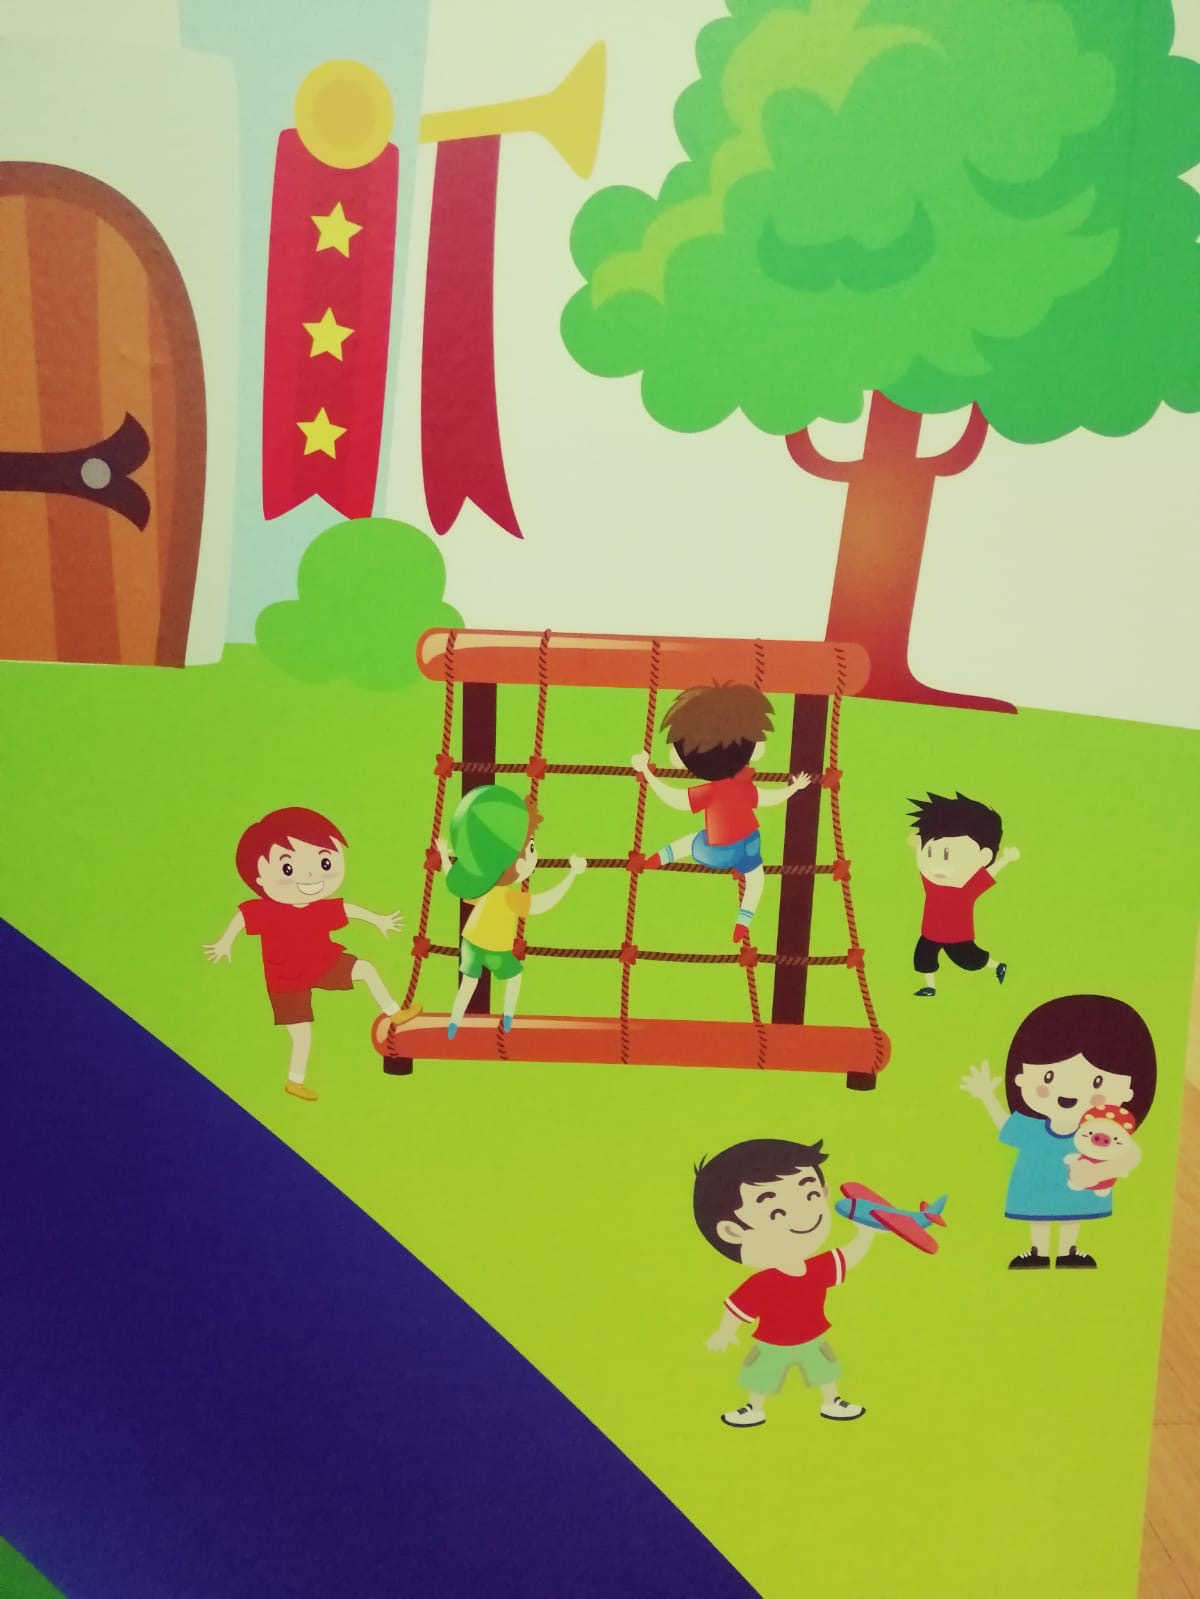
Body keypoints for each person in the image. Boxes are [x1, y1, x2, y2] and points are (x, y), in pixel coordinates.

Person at [204, 806, 420, 1102]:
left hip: (322, 963)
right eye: (288, 869)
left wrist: (378, 920)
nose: (309, 876)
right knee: (302, 1035)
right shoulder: (265, 911)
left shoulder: (320, 909)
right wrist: (225, 942)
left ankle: (394, 1012)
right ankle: (295, 1081)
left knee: (365, 969)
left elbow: (348, 909)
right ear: (260, 879)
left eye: (324, 862)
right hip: (285, 979)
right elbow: (243, 917)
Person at [960, 995, 1157, 1268]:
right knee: (1038, 1218)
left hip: (1077, 1190)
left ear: (1128, 1091)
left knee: (1072, 1216)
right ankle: (1038, 1252)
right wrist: (987, 1097)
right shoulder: (1034, 1128)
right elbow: (1006, 1126)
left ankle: (1068, 1252)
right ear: (1020, 1077)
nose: (1069, 1092)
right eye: (1048, 1076)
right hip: (1035, 1186)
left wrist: (1102, 1171)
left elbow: (1130, 1155)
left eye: (1097, 1082)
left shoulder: (1098, 1135)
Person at [694, 1138, 877, 1428]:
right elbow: (737, 1307)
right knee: (761, 1375)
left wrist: (866, 1233)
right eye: (776, 1213)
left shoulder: (815, 1269)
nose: (805, 1216)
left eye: (811, 1195)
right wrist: (724, 1332)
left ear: (824, 1192)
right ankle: (753, 1407)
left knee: (825, 1370)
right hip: (772, 1342)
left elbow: (847, 1256)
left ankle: (832, 1402)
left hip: (813, 1337)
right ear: (733, 1231)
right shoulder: (761, 1282)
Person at [632, 682, 811, 944]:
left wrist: (647, 774)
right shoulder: (743, 786)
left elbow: (675, 799)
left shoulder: (711, 791)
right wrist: (794, 788)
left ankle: (656, 859)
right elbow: (767, 797)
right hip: (750, 844)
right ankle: (743, 922)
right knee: (756, 880)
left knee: (690, 842)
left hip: (718, 852)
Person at [436, 785, 586, 1038]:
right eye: (531, 847)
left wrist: (443, 856)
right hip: (495, 949)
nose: (534, 855)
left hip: (471, 942)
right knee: (513, 978)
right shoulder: (509, 898)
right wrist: (571, 875)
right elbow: (544, 902)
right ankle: (506, 1019)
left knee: (469, 983)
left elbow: (458, 883)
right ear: (518, 862)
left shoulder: (484, 886)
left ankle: (454, 1023)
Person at [907, 790, 1019, 997]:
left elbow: (988, 874)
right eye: (929, 852)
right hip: (930, 932)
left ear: (984, 856)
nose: (936, 864)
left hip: (957, 936)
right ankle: (930, 987)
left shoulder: (967, 888)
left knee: (970, 961)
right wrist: (917, 848)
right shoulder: (931, 883)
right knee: (923, 957)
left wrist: (1005, 859)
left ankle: (997, 965)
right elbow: (922, 863)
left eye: (947, 855)